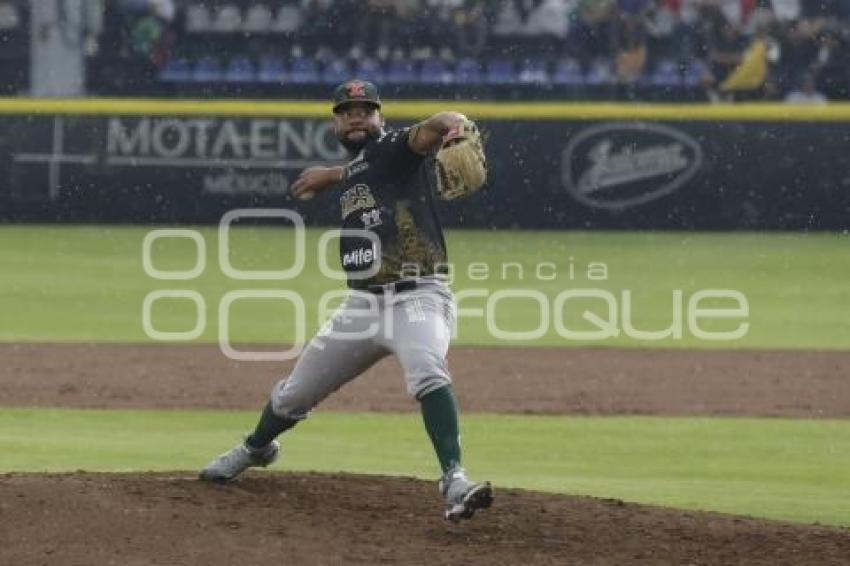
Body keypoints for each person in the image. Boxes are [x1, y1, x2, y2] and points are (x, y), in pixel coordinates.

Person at [200, 79, 493, 523]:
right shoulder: (361, 166)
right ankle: (255, 448)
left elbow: (433, 127)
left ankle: (455, 480)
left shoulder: (398, 147)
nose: (356, 116)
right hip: (361, 306)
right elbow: (362, 170)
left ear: (381, 117)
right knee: (294, 394)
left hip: (419, 298)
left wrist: (455, 126)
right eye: (346, 111)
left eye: (365, 109)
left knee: (428, 370)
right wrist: (330, 174)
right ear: (336, 122)